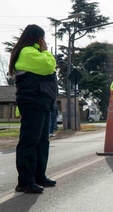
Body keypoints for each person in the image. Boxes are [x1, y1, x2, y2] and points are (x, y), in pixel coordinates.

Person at [9, 24, 57, 193]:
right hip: (32, 102)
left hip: (41, 102)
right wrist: (45, 51)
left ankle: (38, 177)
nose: (43, 41)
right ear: (36, 38)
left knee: (42, 141)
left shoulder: (32, 52)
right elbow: (49, 66)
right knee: (29, 141)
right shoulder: (27, 52)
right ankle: (25, 181)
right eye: (42, 38)